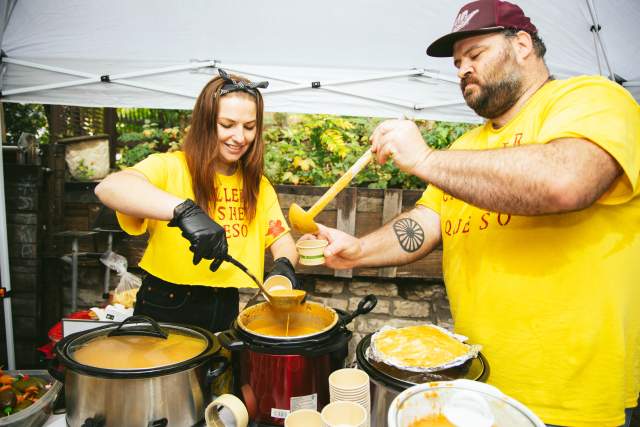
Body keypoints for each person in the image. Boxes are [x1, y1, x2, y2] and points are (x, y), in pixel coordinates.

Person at [306, 1, 640, 426]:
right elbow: (424, 224)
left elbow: (567, 180)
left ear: (522, 45)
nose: (462, 69)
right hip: (473, 385)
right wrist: (357, 250)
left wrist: (424, 158)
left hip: (573, 399)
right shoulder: (464, 148)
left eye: (475, 55)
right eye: (458, 63)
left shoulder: (592, 99)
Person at [95, 69, 298, 334]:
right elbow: (110, 187)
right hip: (167, 302)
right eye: (227, 125)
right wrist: (183, 211)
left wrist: (283, 270)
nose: (240, 137)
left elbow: (281, 240)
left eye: (249, 127)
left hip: (225, 302)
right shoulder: (170, 166)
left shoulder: (257, 185)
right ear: (205, 122)